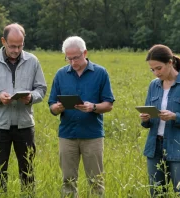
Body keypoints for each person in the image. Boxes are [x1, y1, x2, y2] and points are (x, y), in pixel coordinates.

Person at [0, 23, 47, 193]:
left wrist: (31, 98)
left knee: (28, 171)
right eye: (12, 46)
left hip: (25, 126)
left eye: (20, 45)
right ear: (3, 41)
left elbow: (41, 89)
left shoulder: (33, 61)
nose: (16, 50)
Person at [48, 36, 115, 197]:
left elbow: (109, 104)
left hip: (92, 135)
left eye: (75, 58)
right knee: (68, 181)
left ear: (85, 53)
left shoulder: (100, 73)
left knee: (96, 181)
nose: (72, 62)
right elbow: (51, 105)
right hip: (67, 134)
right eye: (68, 58)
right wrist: (57, 107)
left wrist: (93, 107)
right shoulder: (60, 75)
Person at [139, 44, 180, 197]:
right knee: (156, 193)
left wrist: (175, 116)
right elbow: (148, 122)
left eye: (159, 68)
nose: (156, 73)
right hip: (154, 147)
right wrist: (145, 119)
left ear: (170, 63)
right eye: (152, 70)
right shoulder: (154, 86)